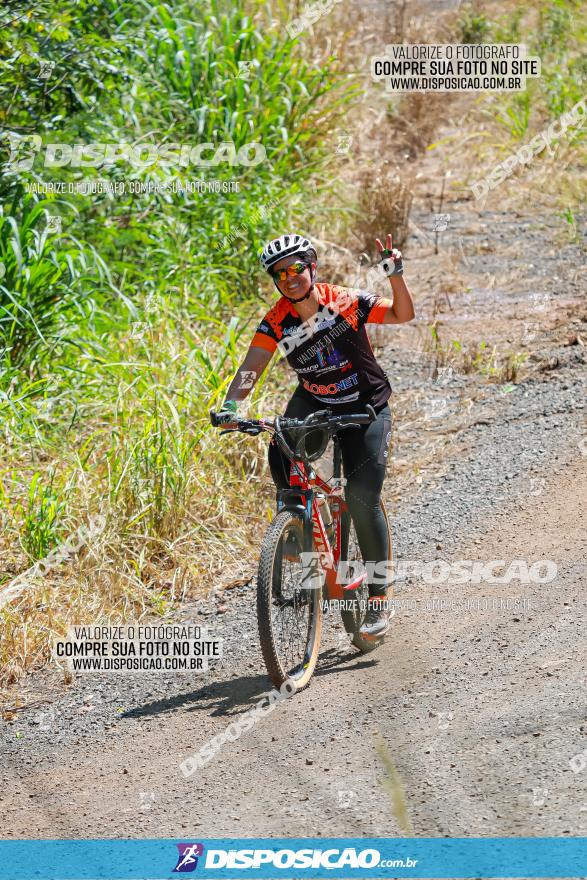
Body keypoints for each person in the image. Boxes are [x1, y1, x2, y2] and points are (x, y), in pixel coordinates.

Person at [215, 232, 415, 636]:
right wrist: (232, 406)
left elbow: (401, 315)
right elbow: (252, 367)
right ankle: (296, 523)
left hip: (365, 405)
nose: (289, 278)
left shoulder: (344, 301)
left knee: (362, 498)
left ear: (312, 268)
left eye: (296, 269)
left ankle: (377, 599)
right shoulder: (276, 321)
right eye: (280, 273)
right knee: (279, 442)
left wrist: (395, 275)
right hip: (316, 401)